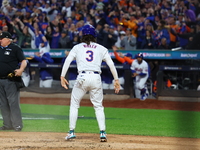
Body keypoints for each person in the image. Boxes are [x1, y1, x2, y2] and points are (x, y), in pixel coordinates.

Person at [60, 24, 120, 142]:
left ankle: (71, 131)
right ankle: (102, 133)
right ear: (94, 36)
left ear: (82, 35)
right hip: (96, 77)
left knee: (74, 104)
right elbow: (111, 65)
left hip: (82, 77)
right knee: (98, 107)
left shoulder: (77, 47)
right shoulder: (101, 48)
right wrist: (116, 79)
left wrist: (62, 75)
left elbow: (67, 61)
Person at [0, 31, 27, 131]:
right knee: (3, 104)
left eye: (1, 38)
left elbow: (24, 61)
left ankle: (17, 125)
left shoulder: (15, 48)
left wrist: (21, 70)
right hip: (0, 80)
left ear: (8, 39)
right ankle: (7, 125)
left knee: (13, 103)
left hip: (11, 80)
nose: (0, 40)